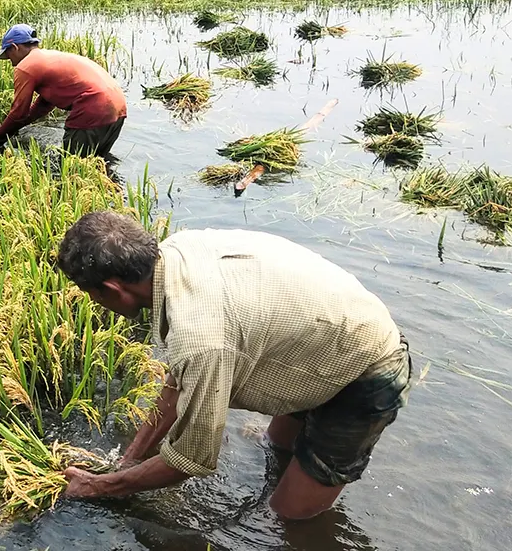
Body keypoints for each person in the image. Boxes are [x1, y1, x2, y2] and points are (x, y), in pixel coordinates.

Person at [54, 212, 411, 520]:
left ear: (113, 288)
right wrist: (130, 460)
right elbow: (177, 383)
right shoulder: (177, 251)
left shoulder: (200, 336)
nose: (96, 303)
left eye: (91, 295)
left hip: (366, 365)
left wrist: (101, 487)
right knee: (276, 447)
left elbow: (190, 460)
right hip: (316, 338)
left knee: (288, 514)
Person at [0, 24, 128, 158]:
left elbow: (18, 112)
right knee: (98, 163)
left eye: (8, 57)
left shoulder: (25, 67)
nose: (11, 62)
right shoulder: (51, 57)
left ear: (15, 47)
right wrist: (16, 128)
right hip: (118, 106)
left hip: (94, 106)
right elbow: (44, 105)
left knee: (72, 169)